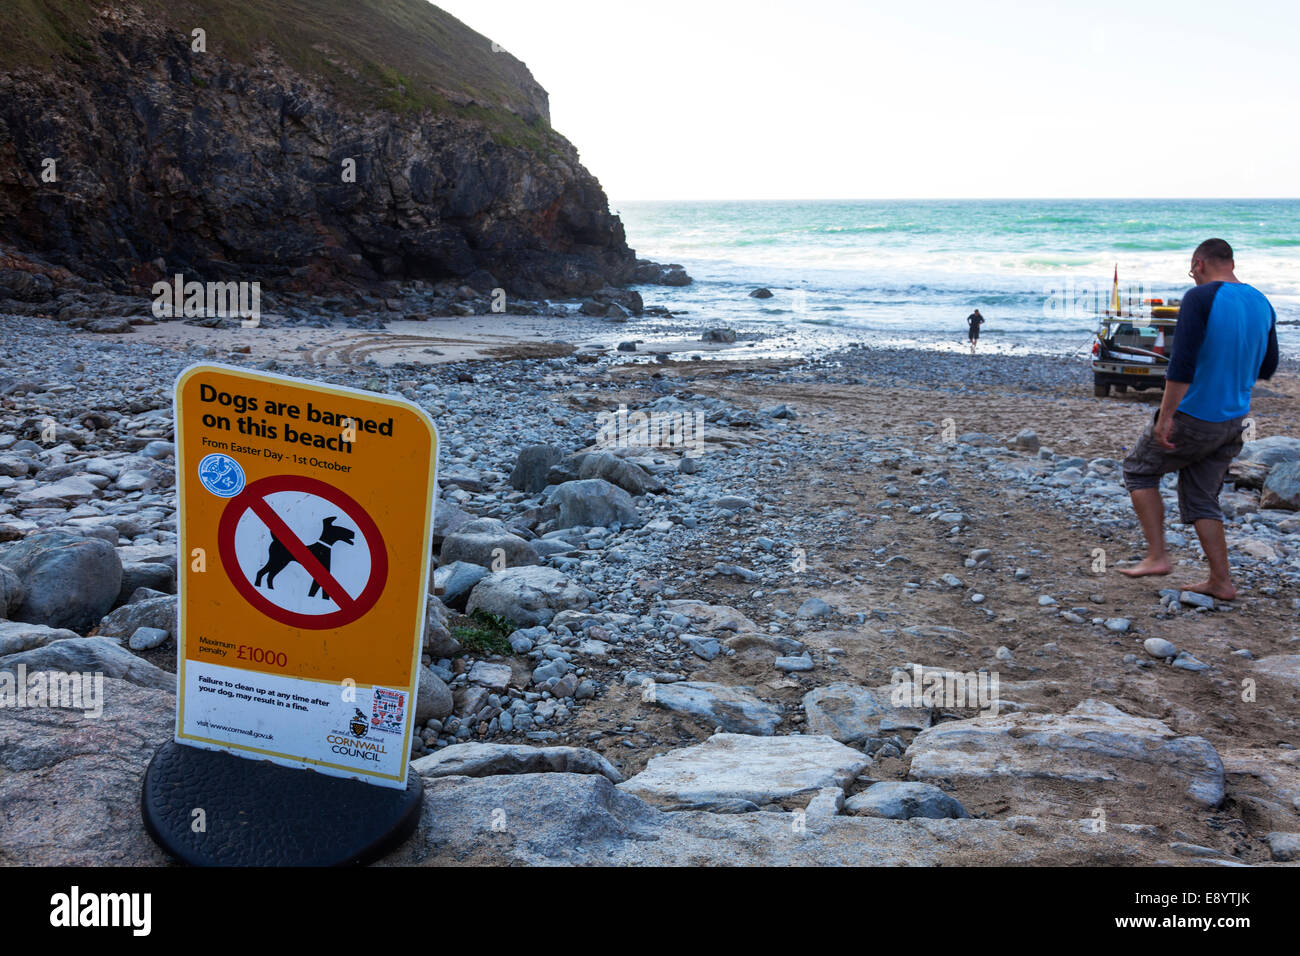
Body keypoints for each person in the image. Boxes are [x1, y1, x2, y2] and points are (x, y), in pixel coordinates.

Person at [1118, 238, 1279, 600]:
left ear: (1199, 263)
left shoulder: (1200, 298)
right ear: (1231, 262)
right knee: (1203, 498)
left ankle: (1158, 555)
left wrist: (1166, 417)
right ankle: (1221, 582)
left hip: (1194, 415)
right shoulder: (1261, 301)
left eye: (1191, 270)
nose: (1192, 277)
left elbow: (1183, 364)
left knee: (1138, 470)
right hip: (1234, 418)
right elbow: (1268, 366)